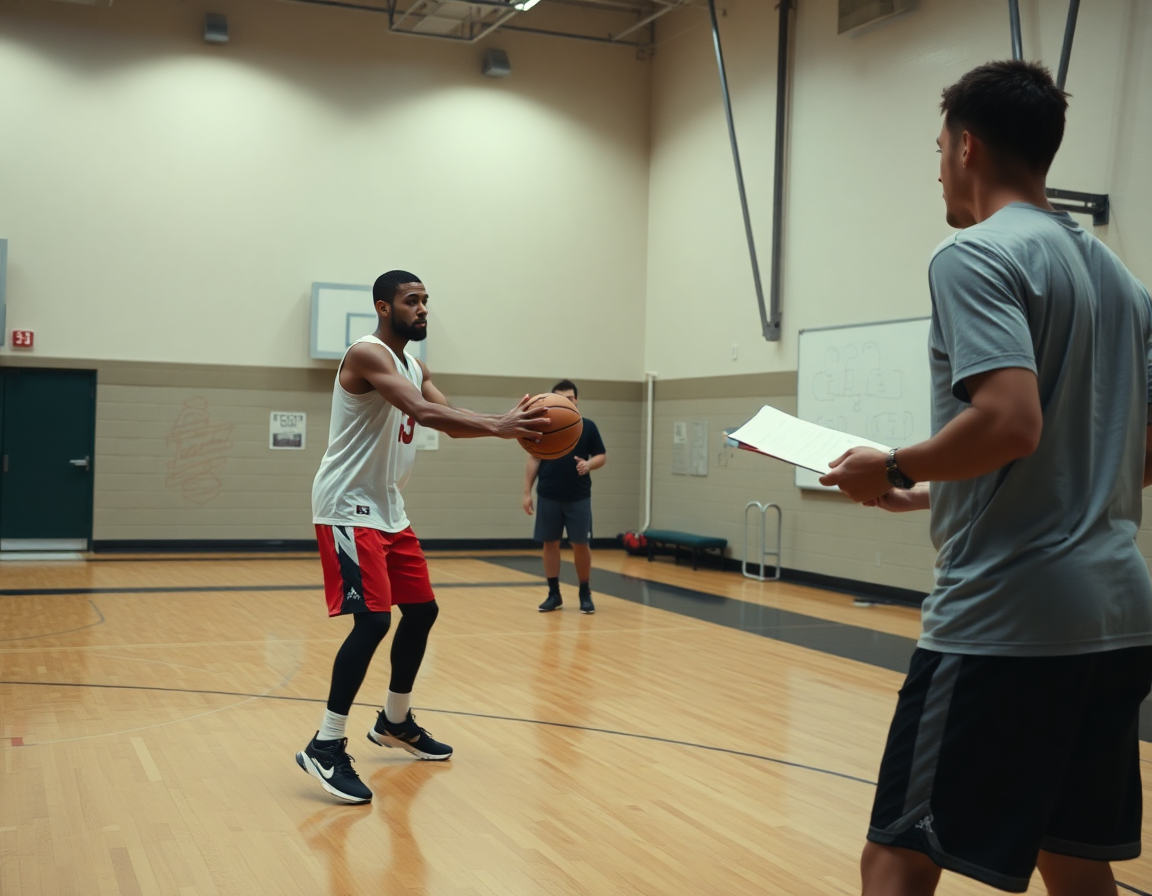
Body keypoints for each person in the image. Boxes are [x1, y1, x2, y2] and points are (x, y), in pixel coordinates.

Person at [821, 61, 1152, 896]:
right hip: (1116, 615)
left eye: (937, 149)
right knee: (1071, 853)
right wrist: (936, 491)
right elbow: (1121, 454)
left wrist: (889, 461)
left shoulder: (974, 256)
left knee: (897, 854)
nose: (938, 167)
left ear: (966, 146)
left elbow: (1010, 421)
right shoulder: (1123, 283)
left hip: (1005, 620)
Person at [297, 270, 550, 804]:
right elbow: (421, 411)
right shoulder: (366, 354)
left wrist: (505, 422)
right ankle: (325, 743)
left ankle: (394, 721)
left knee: (423, 611)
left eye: (426, 300)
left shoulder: (415, 363)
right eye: (412, 301)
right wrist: (501, 425)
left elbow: (451, 420)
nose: (423, 309)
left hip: (388, 509)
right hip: (347, 506)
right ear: (383, 308)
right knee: (372, 622)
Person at [522, 380, 607, 614]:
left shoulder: (588, 427)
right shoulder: (544, 427)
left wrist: (588, 465)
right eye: (560, 399)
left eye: (570, 399)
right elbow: (533, 458)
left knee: (581, 544)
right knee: (550, 544)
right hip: (548, 494)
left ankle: (584, 592)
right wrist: (527, 492)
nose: (566, 402)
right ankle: (553, 593)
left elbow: (601, 456)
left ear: (576, 401)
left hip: (578, 495)